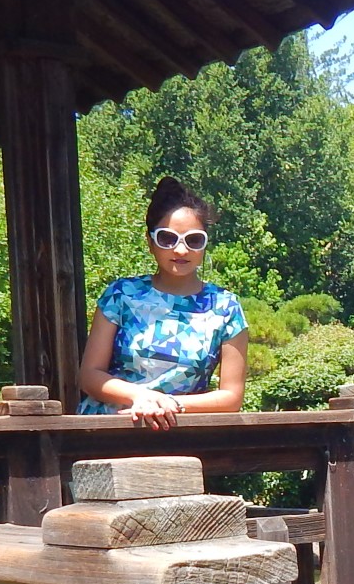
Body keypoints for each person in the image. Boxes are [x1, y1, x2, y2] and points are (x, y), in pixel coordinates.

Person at [77, 177, 248, 427]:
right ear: (150, 242)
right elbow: (90, 375)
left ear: (204, 245)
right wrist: (141, 396)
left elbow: (231, 397)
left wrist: (171, 404)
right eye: (167, 239)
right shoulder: (120, 295)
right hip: (106, 433)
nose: (180, 250)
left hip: (180, 438)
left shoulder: (226, 308)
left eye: (193, 240)